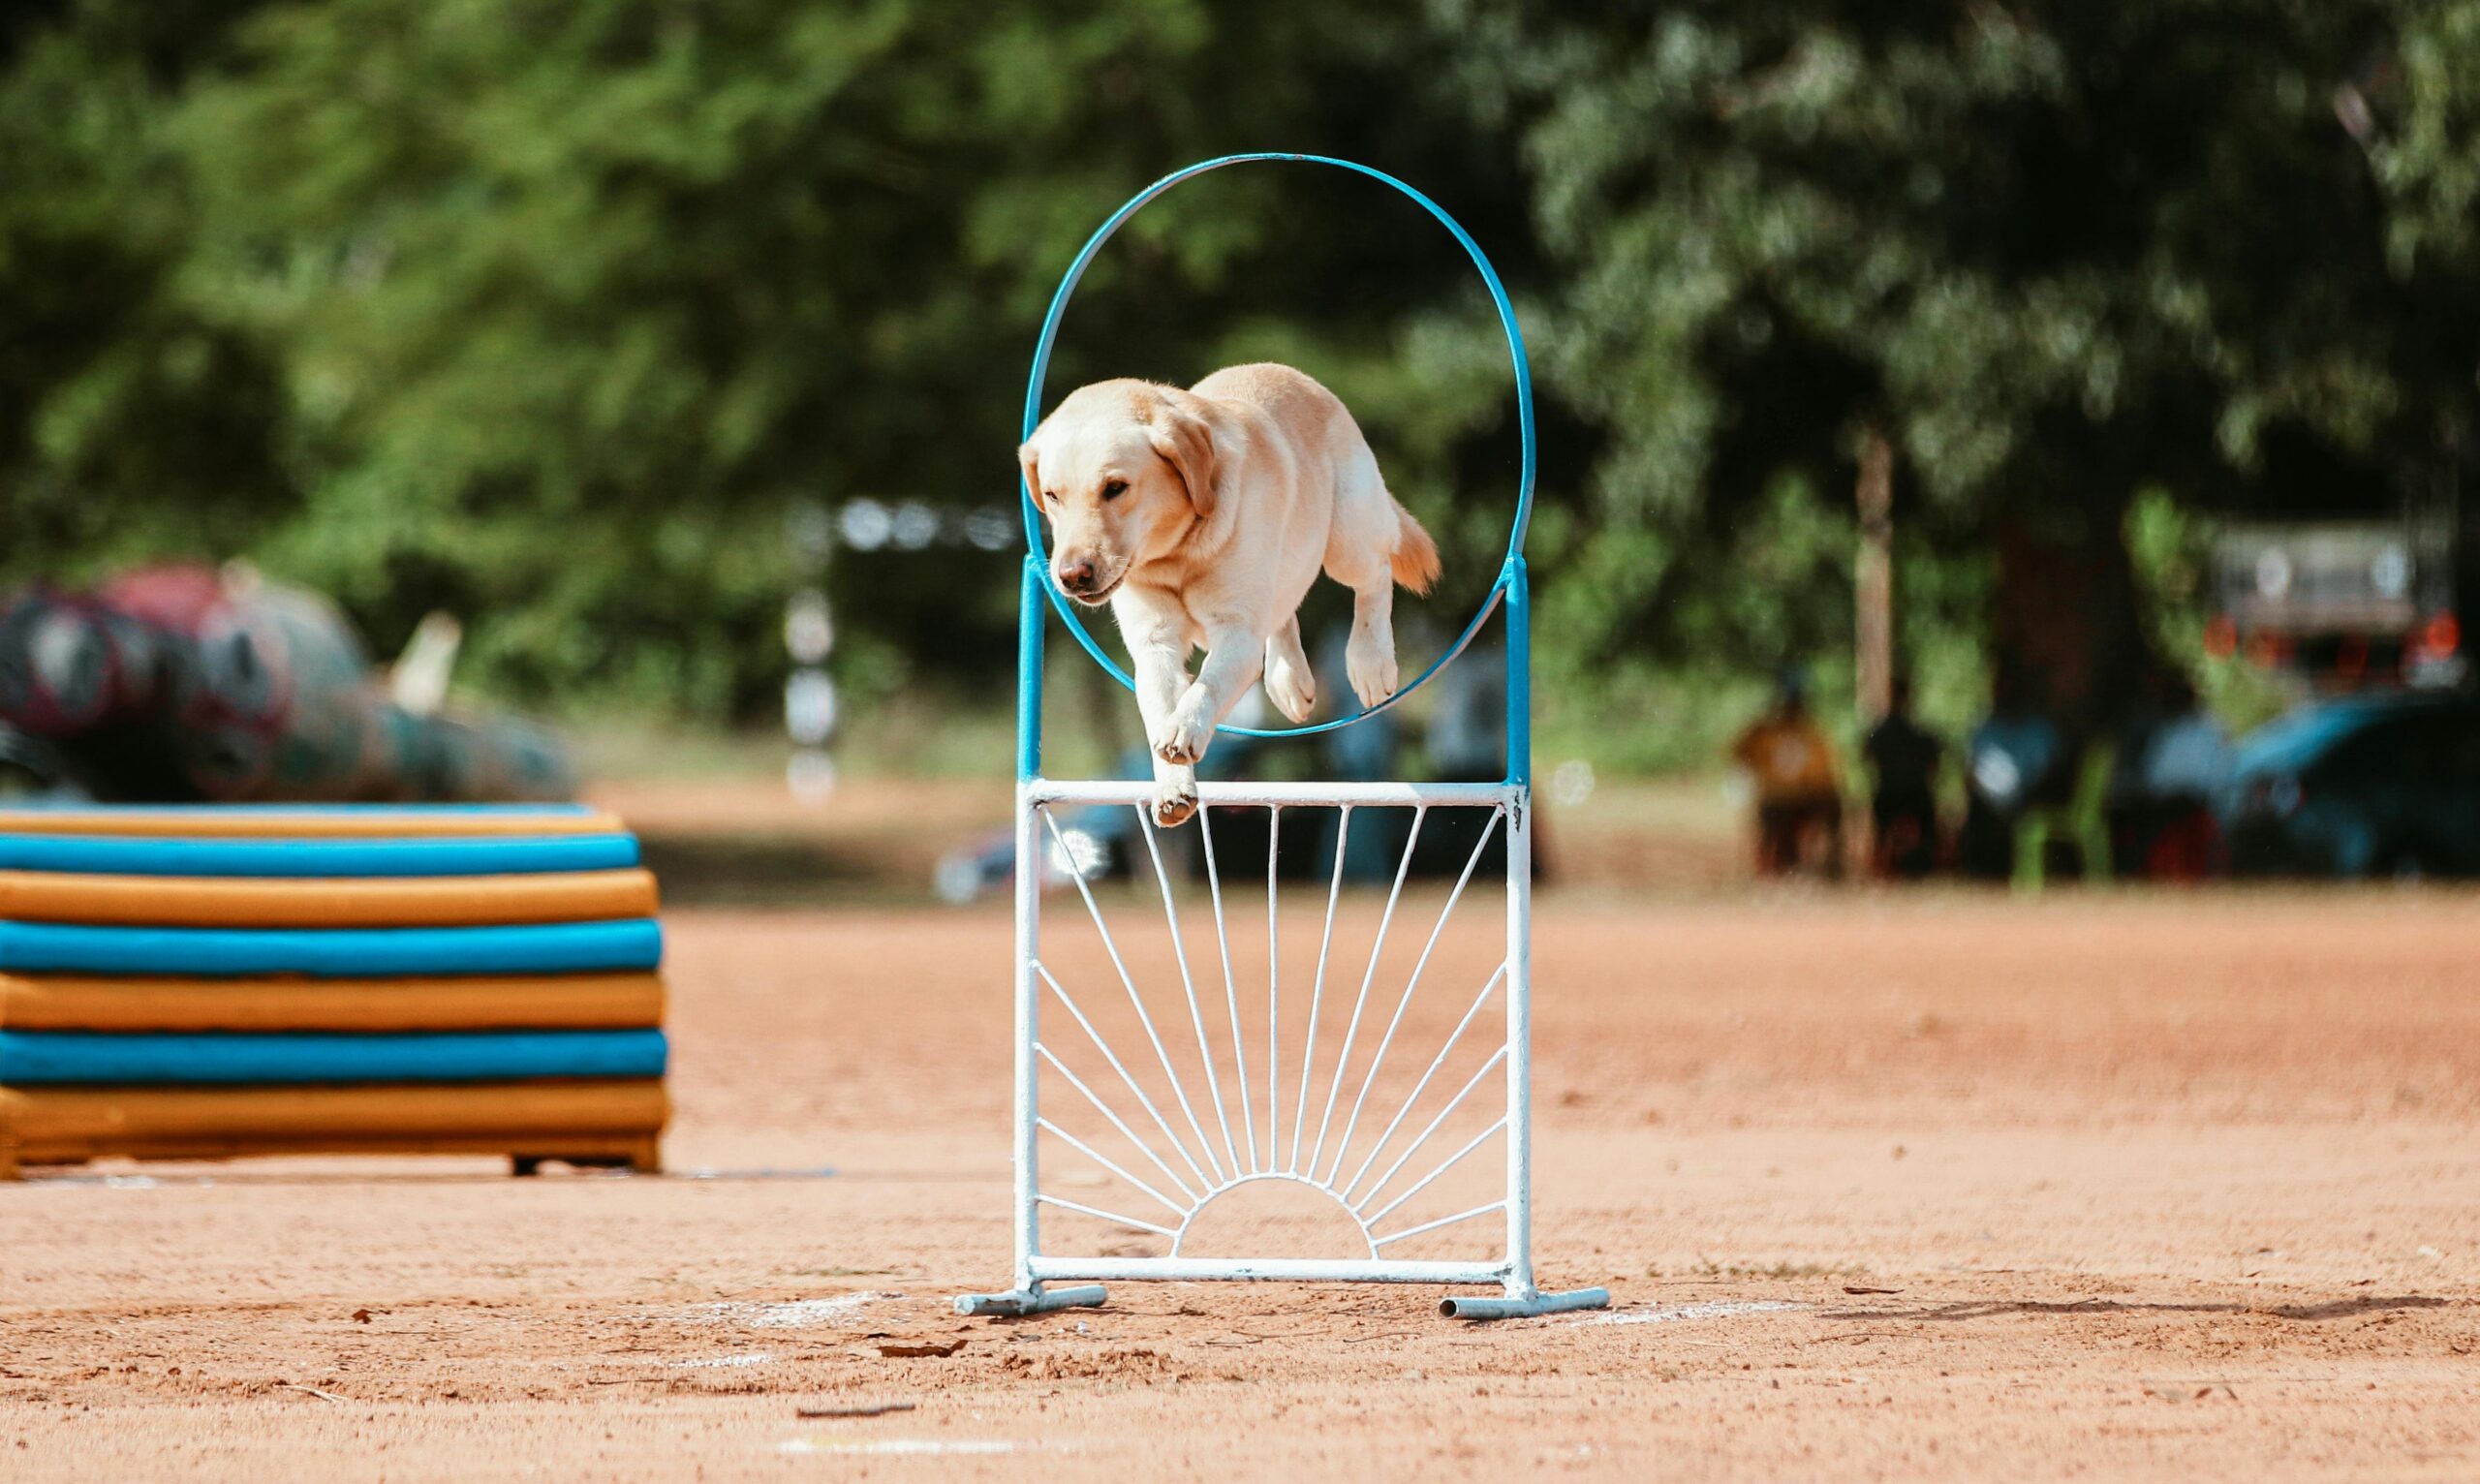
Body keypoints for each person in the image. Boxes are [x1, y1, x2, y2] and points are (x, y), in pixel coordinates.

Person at [1731, 670, 1844, 877]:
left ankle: (1830, 865)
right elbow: (1740, 755)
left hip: (1795, 800)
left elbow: (1825, 774)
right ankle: (1786, 864)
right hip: (1778, 802)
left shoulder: (1807, 733)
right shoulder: (1765, 731)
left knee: (1829, 808)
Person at [1862, 676, 1943, 879]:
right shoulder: (1913, 734)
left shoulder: (1882, 733)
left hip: (1896, 791)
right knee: (1922, 825)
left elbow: (1866, 757)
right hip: (1905, 791)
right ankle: (1899, 865)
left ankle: (1895, 865)